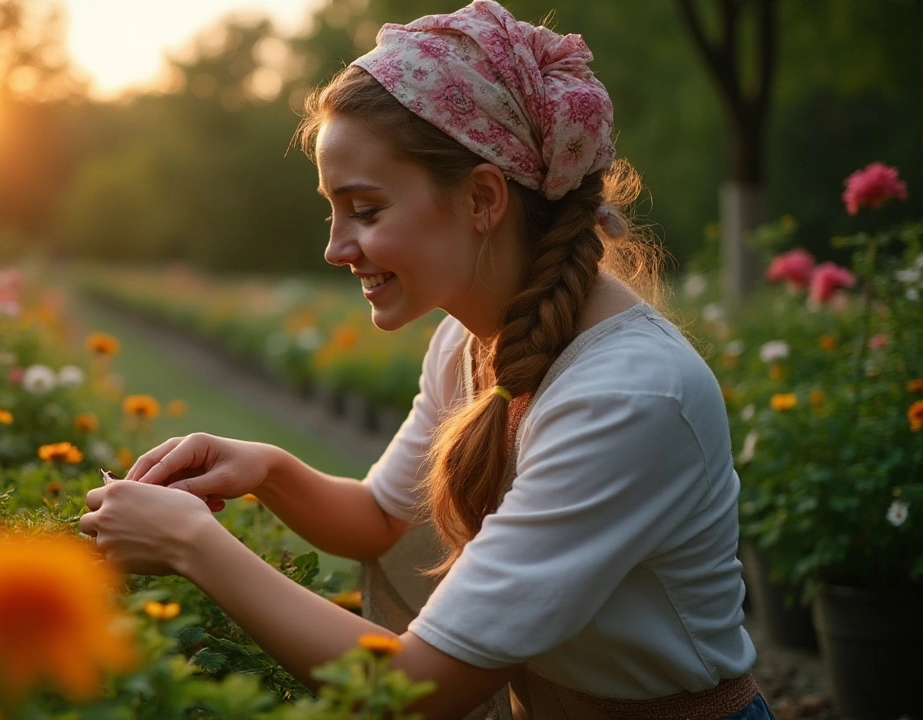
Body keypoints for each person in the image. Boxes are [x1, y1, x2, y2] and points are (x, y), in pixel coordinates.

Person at [78, 2, 771, 718]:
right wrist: (268, 470)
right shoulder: (469, 341)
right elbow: (382, 516)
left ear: (481, 197)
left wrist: (195, 544)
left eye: (366, 210)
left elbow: (417, 689)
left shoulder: (630, 397)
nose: (335, 247)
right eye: (333, 210)